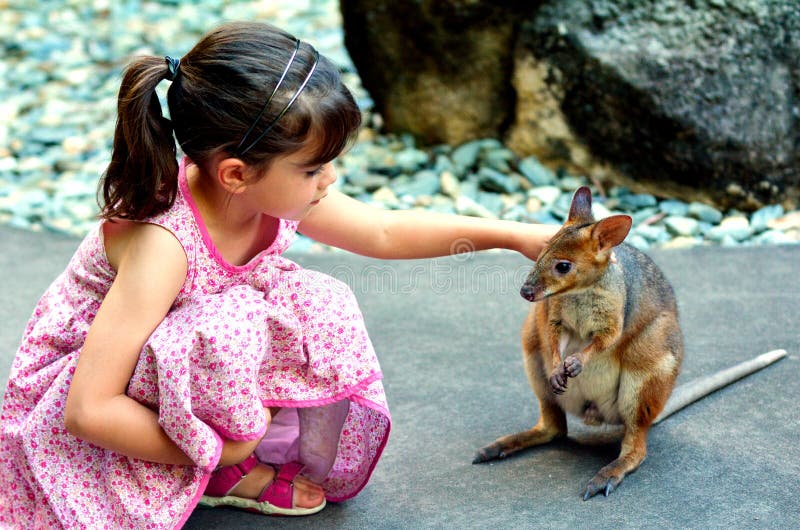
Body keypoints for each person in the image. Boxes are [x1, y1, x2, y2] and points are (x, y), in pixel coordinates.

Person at [0, 21, 557, 528]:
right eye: (314, 168)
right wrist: (225, 451)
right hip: (87, 389)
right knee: (235, 320)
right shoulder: (162, 246)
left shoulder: (264, 191)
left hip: (175, 354)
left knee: (312, 300)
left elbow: (382, 232)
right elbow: (88, 409)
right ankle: (217, 468)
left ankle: (224, 440)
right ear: (237, 173)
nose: (329, 180)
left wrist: (510, 235)